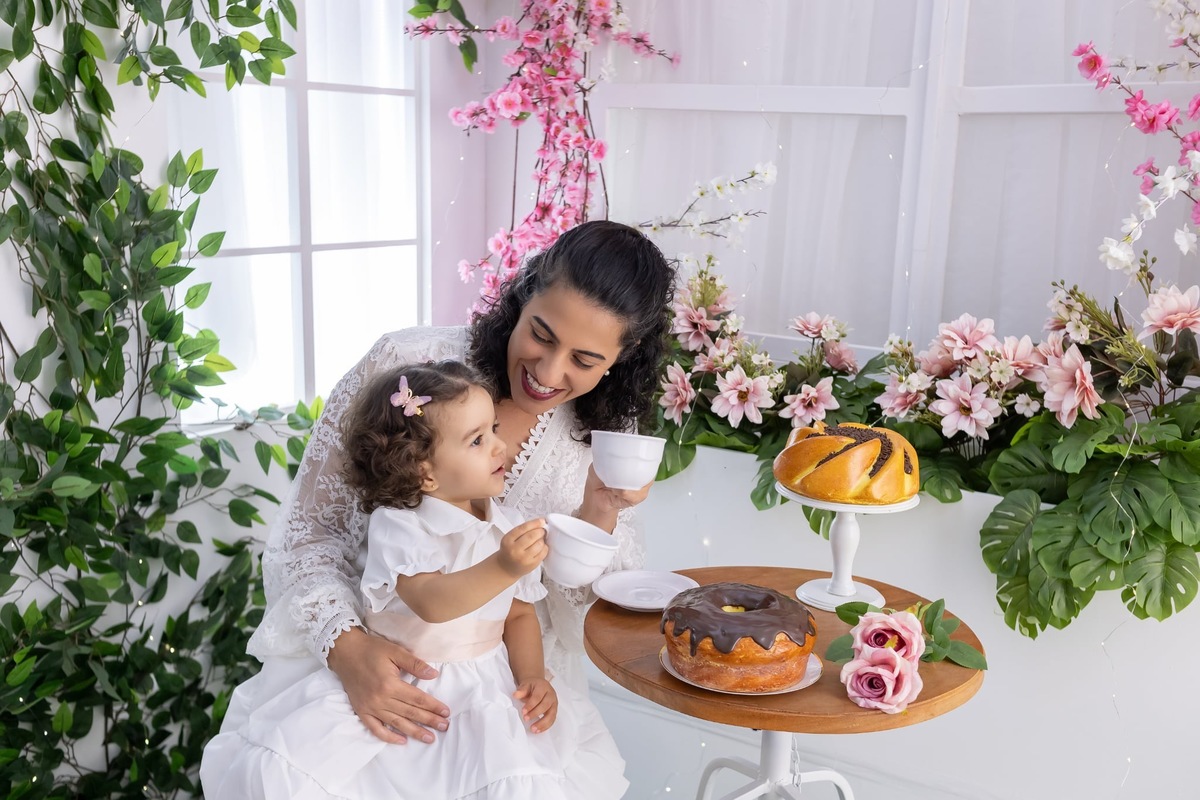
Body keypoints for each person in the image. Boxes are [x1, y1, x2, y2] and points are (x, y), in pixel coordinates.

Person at [204, 220, 674, 791]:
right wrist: (348, 651)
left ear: (623, 357)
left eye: (585, 359)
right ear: (524, 295)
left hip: (503, 709)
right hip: (374, 683)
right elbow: (309, 537)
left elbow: (568, 619)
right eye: (541, 335)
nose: (549, 372)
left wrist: (599, 513)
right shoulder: (408, 367)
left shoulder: (606, 443)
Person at [201, 361, 628, 798]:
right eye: (477, 440)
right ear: (425, 471)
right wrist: (503, 567)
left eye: (494, 430)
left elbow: (518, 616)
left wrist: (532, 675)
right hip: (402, 682)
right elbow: (430, 602)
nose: (500, 447)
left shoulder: (507, 524)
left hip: (484, 686)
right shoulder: (401, 525)